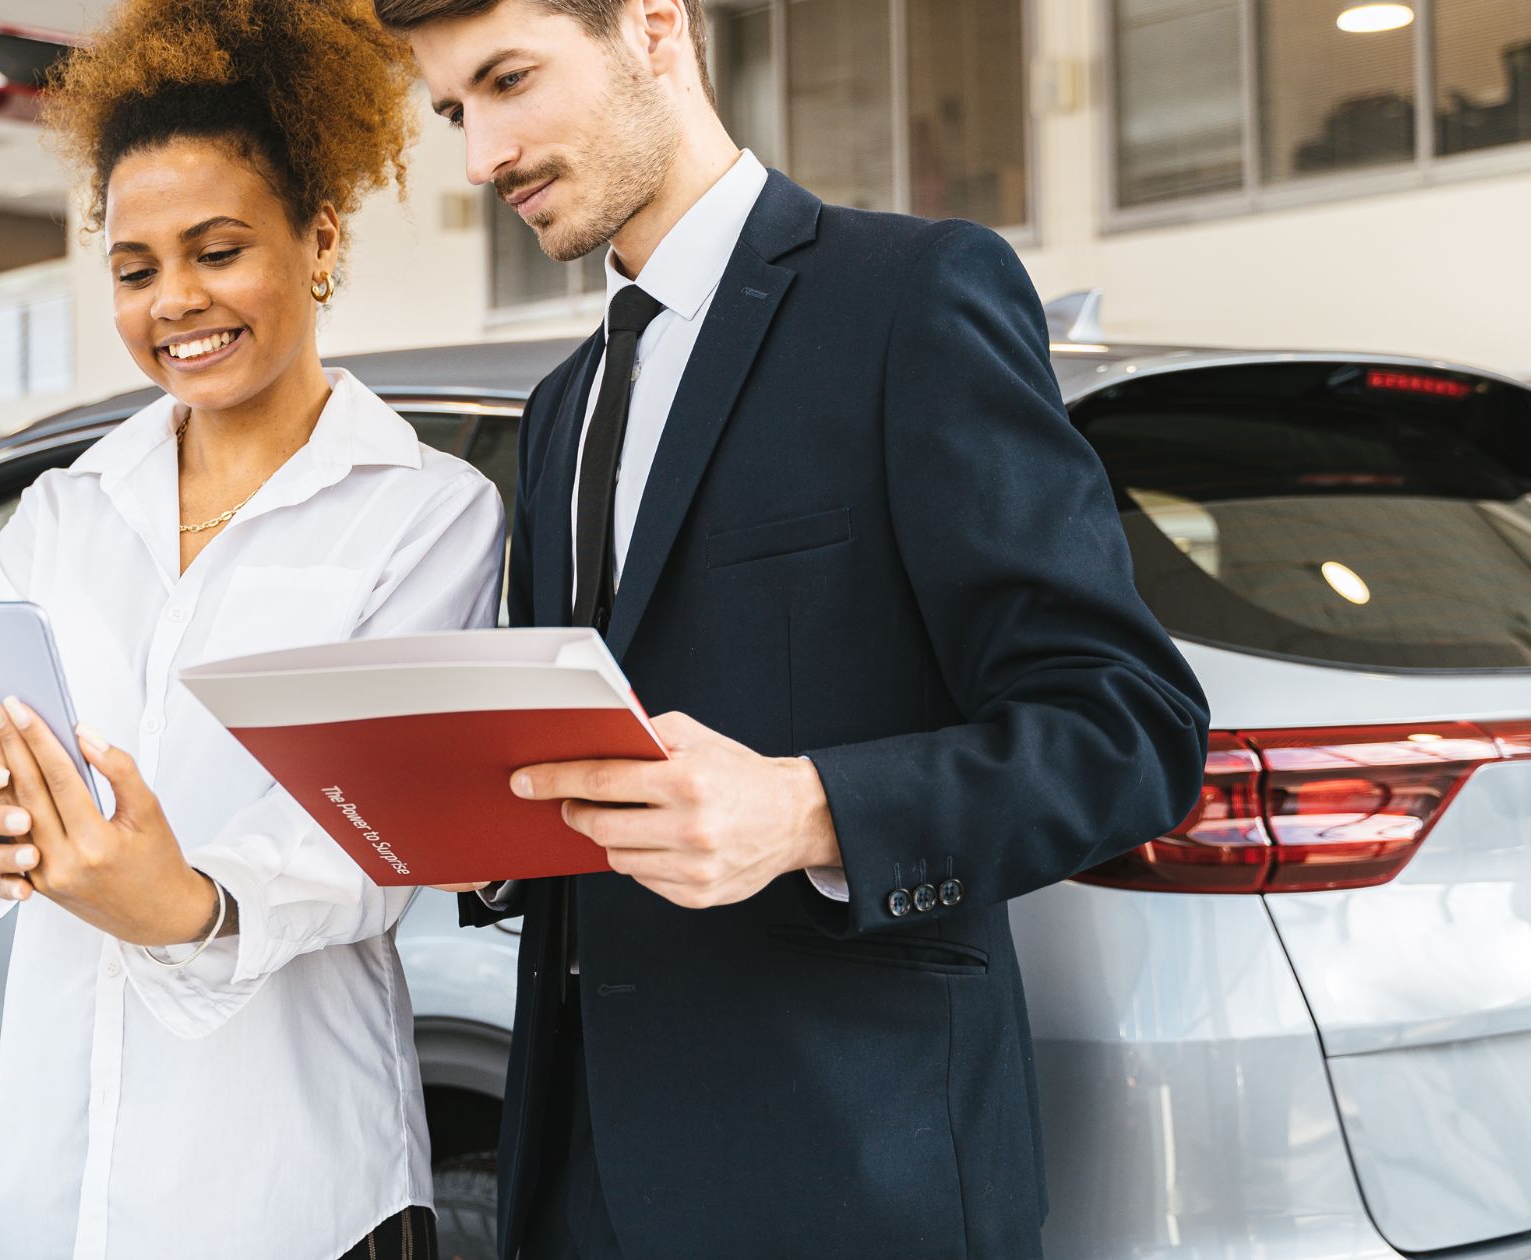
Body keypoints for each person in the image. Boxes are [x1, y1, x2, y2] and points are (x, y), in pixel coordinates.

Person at [375, 1, 1212, 1256]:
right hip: (577, 1176)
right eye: (453, 112)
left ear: (656, 24)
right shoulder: (558, 408)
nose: (480, 156)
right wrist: (495, 842)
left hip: (848, 1177)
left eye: (507, 82)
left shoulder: (909, 298)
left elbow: (1126, 730)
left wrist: (806, 811)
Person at [0, 3, 504, 1256]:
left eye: (218, 251)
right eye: (135, 268)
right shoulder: (65, 510)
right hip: (57, 1185)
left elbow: (377, 832)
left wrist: (191, 902)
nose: (177, 301)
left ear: (318, 240)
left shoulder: (428, 513)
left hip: (295, 1190)